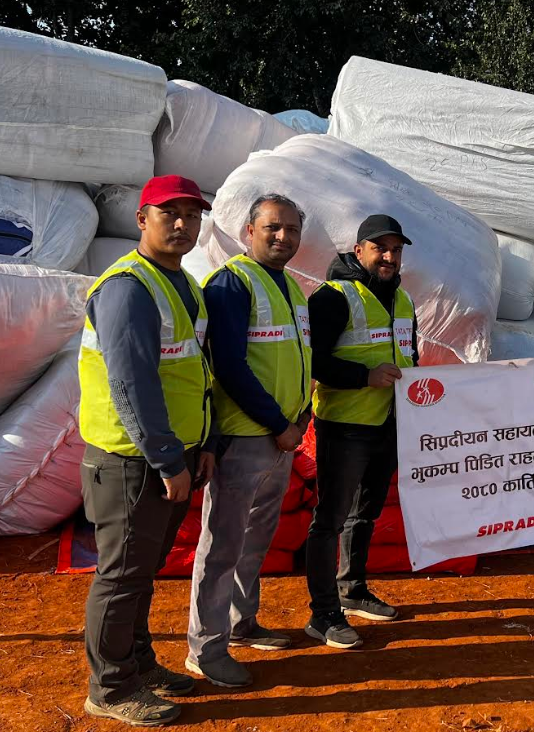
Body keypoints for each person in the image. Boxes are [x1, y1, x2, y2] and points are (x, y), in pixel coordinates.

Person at [77, 175, 216, 726]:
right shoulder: (127, 287)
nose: (182, 224)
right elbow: (131, 384)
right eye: (169, 214)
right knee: (121, 576)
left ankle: (137, 665)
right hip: (130, 461)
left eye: (192, 215)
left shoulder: (184, 285)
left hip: (172, 454)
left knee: (142, 571)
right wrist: (167, 459)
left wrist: (202, 444)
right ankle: (111, 689)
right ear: (142, 220)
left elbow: (195, 373)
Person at [184, 194, 313, 688]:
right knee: (222, 544)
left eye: (292, 229)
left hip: (282, 436)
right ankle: (205, 648)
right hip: (246, 436)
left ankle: (241, 622)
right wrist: (279, 424)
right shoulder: (231, 283)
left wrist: (299, 417)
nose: (283, 237)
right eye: (273, 227)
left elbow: (297, 358)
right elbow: (229, 367)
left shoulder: (291, 287)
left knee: (255, 538)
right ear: (249, 231)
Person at [303, 214, 419, 648]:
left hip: (388, 422)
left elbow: (410, 356)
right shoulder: (334, 297)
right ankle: (323, 613)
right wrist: (364, 377)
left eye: (396, 250)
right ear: (358, 251)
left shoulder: (403, 299)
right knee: (330, 519)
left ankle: (351, 589)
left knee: (365, 513)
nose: (389, 257)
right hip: (345, 425)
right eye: (380, 248)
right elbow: (312, 360)